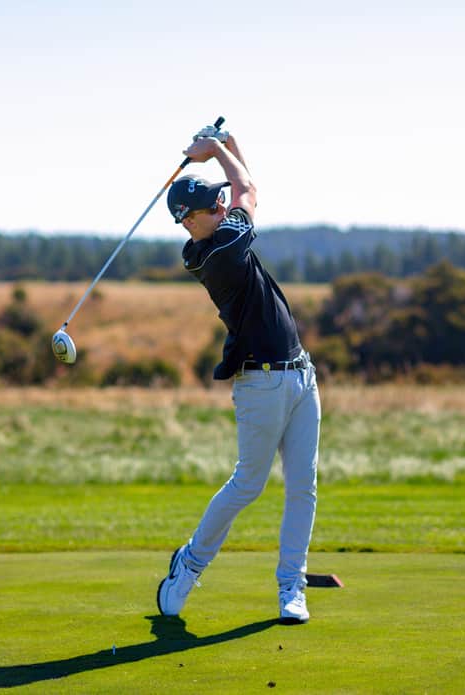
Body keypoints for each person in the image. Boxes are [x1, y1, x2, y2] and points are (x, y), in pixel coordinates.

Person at [156, 125, 321, 625]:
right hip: (261, 383)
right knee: (248, 485)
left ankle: (291, 587)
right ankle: (190, 564)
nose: (222, 207)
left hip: (300, 376)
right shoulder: (219, 252)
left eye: (220, 201)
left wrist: (224, 149)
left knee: (303, 486)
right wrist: (216, 151)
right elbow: (249, 190)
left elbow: (245, 185)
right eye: (212, 205)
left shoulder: (220, 231)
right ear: (190, 222)